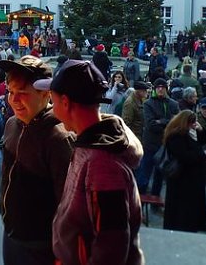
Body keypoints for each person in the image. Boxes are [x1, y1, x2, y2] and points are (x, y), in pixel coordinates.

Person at [34, 59, 143, 265]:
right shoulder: (90, 145)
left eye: (52, 99)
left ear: (65, 102)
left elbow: (112, 244)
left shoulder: (102, 165)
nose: (50, 106)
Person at [0, 55, 74, 265]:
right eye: (10, 92)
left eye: (22, 93)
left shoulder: (59, 138)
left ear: (45, 94)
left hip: (42, 246)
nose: (13, 100)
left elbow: (68, 204)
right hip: (12, 235)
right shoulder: (12, 124)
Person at [162, 109, 206, 233]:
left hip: (188, 179)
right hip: (182, 179)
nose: (194, 125)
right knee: (183, 212)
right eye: (192, 122)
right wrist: (202, 154)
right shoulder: (176, 136)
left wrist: (200, 130)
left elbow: (201, 141)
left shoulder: (186, 133)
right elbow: (186, 156)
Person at [136, 78, 179, 197]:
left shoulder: (173, 104)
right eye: (158, 87)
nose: (160, 89)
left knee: (159, 176)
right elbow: (151, 125)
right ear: (154, 89)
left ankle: (155, 201)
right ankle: (141, 203)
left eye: (163, 87)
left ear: (166, 89)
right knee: (144, 175)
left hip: (165, 144)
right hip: (150, 144)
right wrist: (168, 122)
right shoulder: (148, 104)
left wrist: (161, 121)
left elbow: (177, 123)